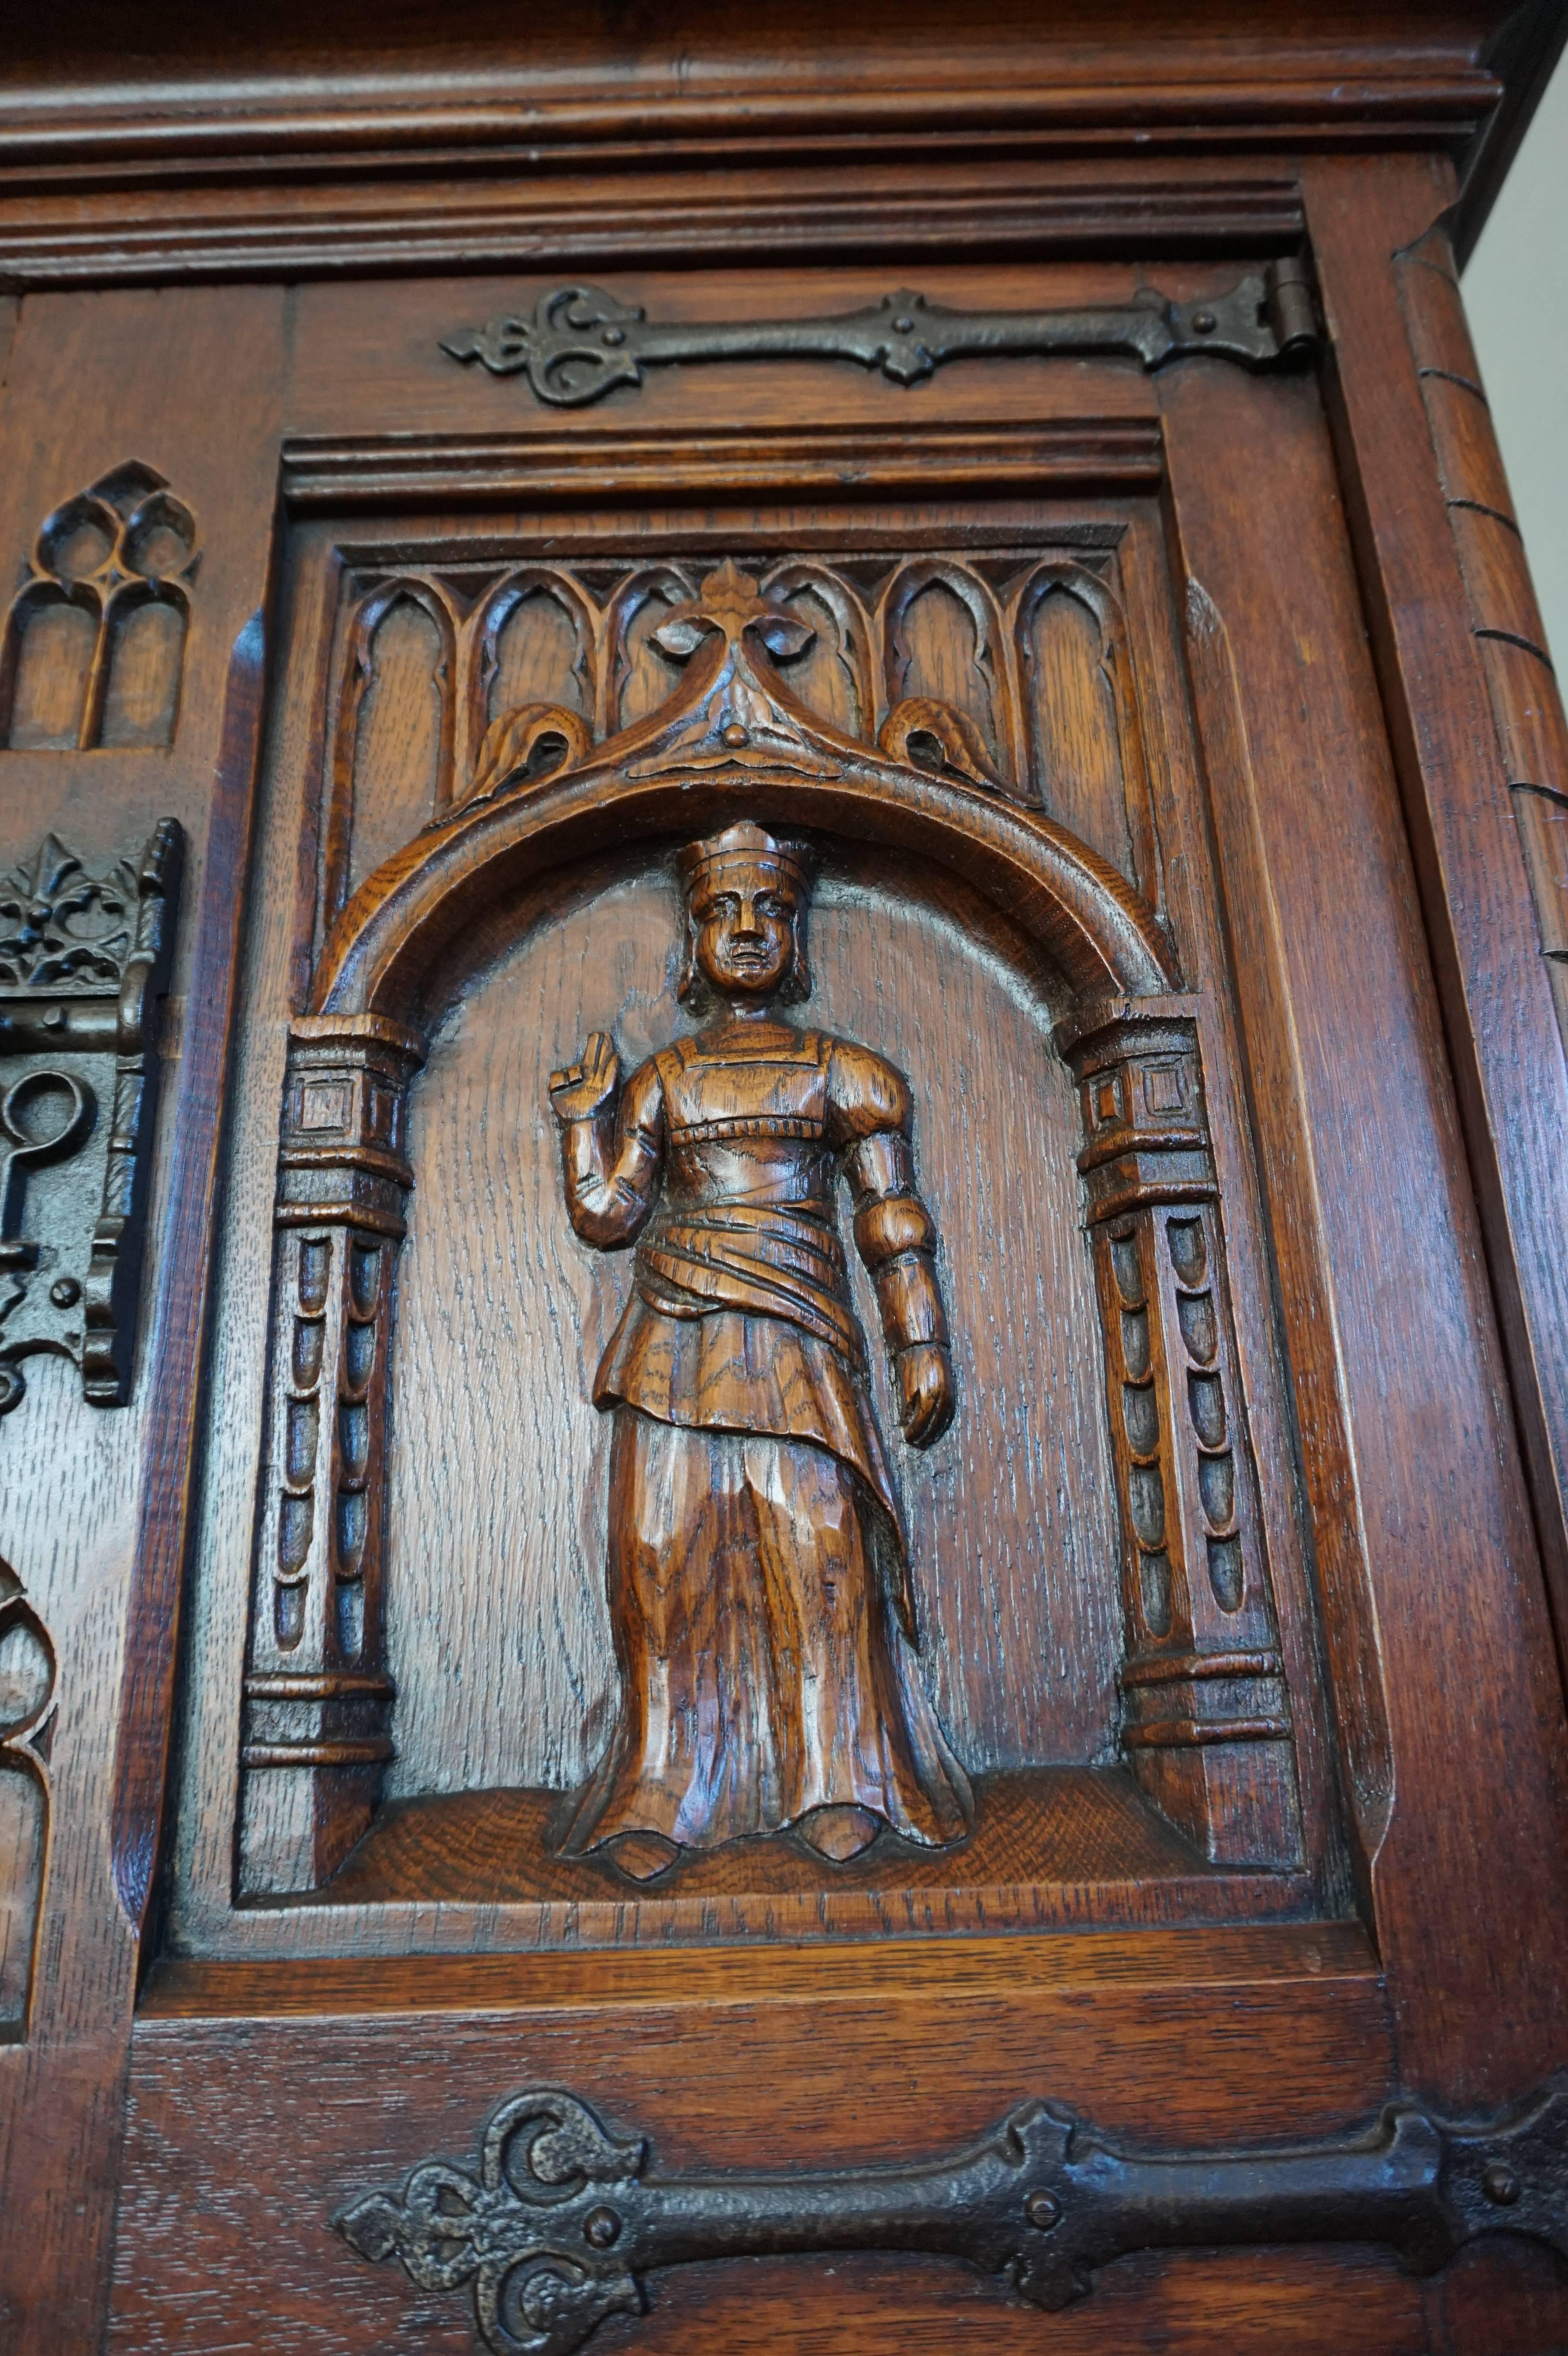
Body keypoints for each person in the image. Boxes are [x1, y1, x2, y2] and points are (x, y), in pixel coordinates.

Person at [548, 820, 972, 1881]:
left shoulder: (848, 1074)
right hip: (673, 1342)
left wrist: (919, 1339)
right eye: (721, 912)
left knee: (818, 1551)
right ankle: (661, 1783)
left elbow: (893, 1221)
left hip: (794, 1342)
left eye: (768, 910)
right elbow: (607, 1215)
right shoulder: (664, 1078)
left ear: (796, 932)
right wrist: (581, 1123)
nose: (744, 930)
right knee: (659, 1553)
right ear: (693, 939)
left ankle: (842, 1776)